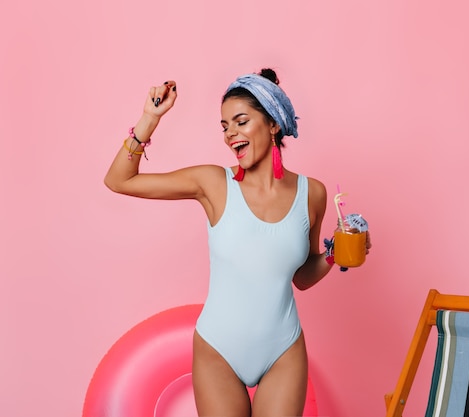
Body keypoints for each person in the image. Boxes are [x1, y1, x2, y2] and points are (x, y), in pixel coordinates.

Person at [104, 68, 371, 416]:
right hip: (219, 350)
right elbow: (119, 180)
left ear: (273, 124)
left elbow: (302, 277)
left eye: (241, 122)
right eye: (225, 126)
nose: (231, 135)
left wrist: (337, 253)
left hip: (283, 350)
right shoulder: (213, 183)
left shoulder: (313, 193)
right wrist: (149, 118)